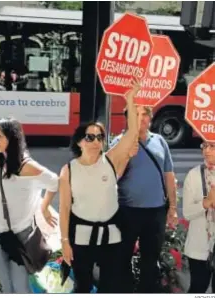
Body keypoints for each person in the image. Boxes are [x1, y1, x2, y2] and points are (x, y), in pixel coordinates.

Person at [59, 78, 140, 293]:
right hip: (81, 236)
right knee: (83, 286)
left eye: (99, 137)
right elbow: (64, 208)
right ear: (79, 141)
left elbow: (132, 133)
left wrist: (130, 100)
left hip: (112, 235)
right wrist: (65, 241)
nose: (96, 141)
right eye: (90, 137)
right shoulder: (68, 170)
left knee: (110, 286)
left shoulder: (111, 160)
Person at [0, 117, 59, 293]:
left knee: (20, 286)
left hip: (21, 233)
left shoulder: (26, 166)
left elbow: (54, 182)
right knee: (6, 285)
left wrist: (44, 207)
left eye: (0, 136)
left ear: (12, 138)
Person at [110, 103, 178, 292]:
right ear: (128, 119)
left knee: (151, 259)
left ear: (150, 118)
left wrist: (172, 208)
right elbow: (112, 175)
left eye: (144, 114)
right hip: (127, 211)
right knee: (122, 257)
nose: (140, 119)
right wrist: (126, 154)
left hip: (155, 211)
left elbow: (169, 176)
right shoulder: (119, 142)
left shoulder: (160, 141)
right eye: (135, 115)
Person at [183, 141, 215, 293]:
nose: (206, 150)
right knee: (197, 288)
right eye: (204, 146)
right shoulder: (194, 175)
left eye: (212, 146)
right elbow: (187, 213)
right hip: (199, 247)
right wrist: (206, 202)